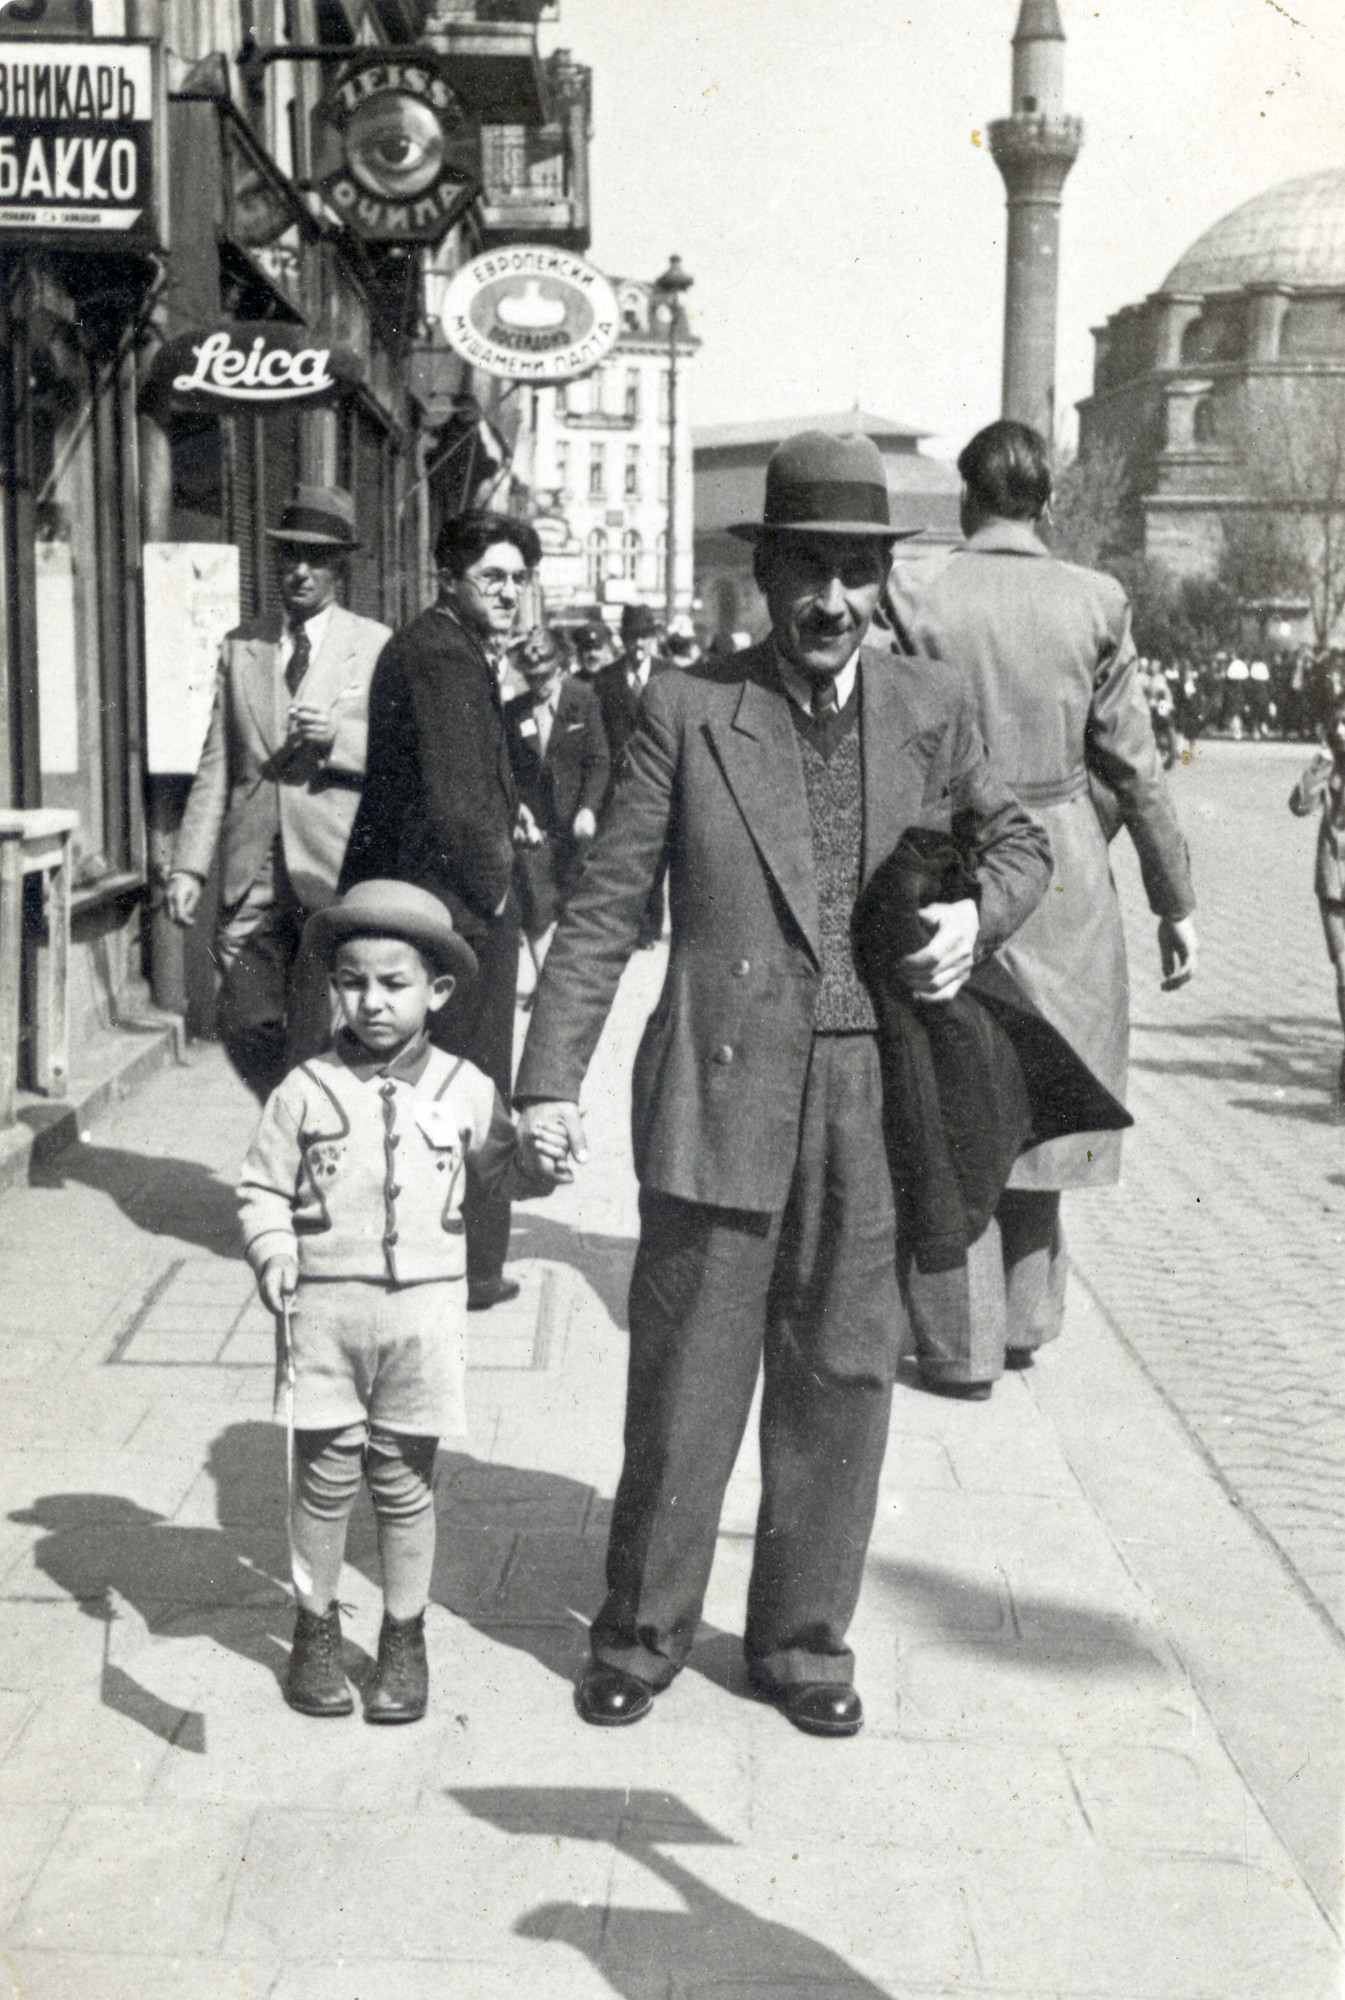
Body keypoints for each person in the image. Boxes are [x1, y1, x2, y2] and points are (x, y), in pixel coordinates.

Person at [514, 432, 1052, 1736]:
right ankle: (640, 1631)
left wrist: (977, 916)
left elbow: (1021, 838)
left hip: (872, 1105)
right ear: (766, 581)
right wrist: (547, 1082)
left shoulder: (927, 710)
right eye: (808, 571)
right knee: (688, 1386)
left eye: (856, 575)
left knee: (844, 1378)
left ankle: (805, 1642)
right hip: (717, 1094)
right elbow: (600, 914)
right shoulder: (691, 713)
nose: (831, 603)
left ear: (883, 586)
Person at [887, 418, 1198, 1394]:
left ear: (967, 497)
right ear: (1043, 503)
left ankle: (958, 1341)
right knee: (1045, 1087)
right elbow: (1136, 768)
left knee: (954, 1093)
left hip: (954, 861)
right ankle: (1027, 1317)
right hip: (1064, 873)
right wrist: (1173, 899)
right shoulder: (1096, 598)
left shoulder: (918, 590)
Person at [238, 880, 553, 1724]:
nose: (371, 1002)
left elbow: (505, 1173)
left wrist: (543, 1156)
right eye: (352, 982)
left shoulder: (467, 1087)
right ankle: (312, 1628)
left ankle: (404, 1637)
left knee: (404, 1480)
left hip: (425, 1319)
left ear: (437, 992)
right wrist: (271, 1252)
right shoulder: (303, 1089)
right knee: (325, 1475)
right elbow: (261, 1189)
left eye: (394, 983)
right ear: (332, 987)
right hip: (324, 1317)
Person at [338, 510, 542, 1312]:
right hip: (450, 915)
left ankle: (451, 1258)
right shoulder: (441, 657)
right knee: (467, 1086)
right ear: (450, 580)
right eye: (491, 577)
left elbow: (463, 778)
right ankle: (467, 1269)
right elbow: (457, 802)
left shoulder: (449, 648)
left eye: (519, 579)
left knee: (433, 1086)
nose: (509, 593)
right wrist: (499, 896)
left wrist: (508, 811)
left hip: (431, 901)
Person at [166, 486, 390, 1101]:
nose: (300, 570)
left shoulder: (374, 646)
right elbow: (218, 764)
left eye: (316, 559)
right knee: (243, 1021)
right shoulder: (243, 646)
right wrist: (188, 865)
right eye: (289, 555)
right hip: (252, 870)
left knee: (320, 1027)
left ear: (339, 566)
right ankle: (289, 1121)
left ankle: (305, 1152)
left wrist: (341, 736)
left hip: (333, 866)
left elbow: (403, 755)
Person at [505, 625, 610, 992]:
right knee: (536, 910)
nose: (538, 685)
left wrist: (589, 809)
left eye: (544, 677)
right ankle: (549, 989)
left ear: (561, 669)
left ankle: (569, 985)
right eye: (530, 677)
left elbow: (599, 761)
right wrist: (519, 809)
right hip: (536, 828)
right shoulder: (515, 711)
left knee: (573, 909)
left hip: (574, 826)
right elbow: (507, 770)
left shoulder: (583, 699)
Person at [594, 601, 671, 946]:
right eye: (633, 638)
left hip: (661, 781)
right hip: (619, 783)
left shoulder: (670, 676)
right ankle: (629, 926)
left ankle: (651, 926)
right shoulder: (605, 679)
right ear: (623, 640)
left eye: (645, 638)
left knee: (657, 856)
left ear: (653, 640)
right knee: (625, 856)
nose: (639, 646)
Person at [1289, 700, 1345, 1102]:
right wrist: (1324, 759)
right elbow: (1299, 804)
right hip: (1334, 880)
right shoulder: (1331, 763)